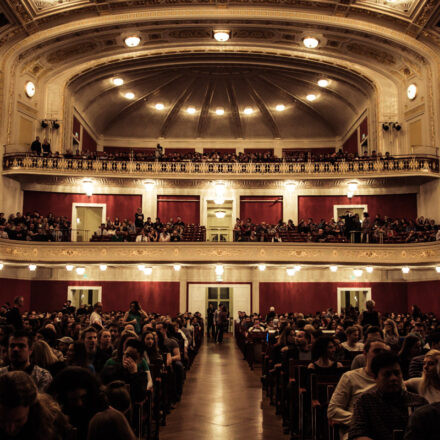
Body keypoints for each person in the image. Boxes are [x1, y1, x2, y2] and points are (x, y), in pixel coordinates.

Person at [348, 351, 427, 440]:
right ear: (375, 377)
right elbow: (357, 434)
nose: (393, 378)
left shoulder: (418, 402)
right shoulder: (365, 401)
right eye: (387, 374)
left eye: (397, 373)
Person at [328, 338, 390, 440]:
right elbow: (333, 411)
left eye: (384, 352)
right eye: (376, 351)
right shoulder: (350, 377)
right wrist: (362, 419)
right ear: (365, 353)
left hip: (387, 430)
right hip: (357, 431)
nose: (381, 355)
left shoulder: (393, 378)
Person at [0, 371, 70, 440]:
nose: (10, 429)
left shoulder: (52, 422)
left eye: (18, 420)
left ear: (31, 407)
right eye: (2, 420)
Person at [48, 366, 108, 440]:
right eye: (73, 399)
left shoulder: (98, 410)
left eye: (83, 397)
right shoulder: (57, 416)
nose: (79, 403)